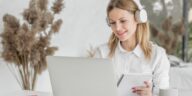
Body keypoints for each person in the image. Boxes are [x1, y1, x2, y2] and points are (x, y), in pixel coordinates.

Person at [94, 0, 170, 96]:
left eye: (123, 21)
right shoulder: (101, 53)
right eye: (112, 22)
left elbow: (163, 93)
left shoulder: (158, 55)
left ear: (138, 18)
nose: (117, 28)